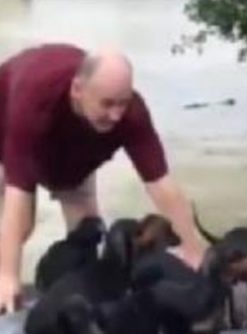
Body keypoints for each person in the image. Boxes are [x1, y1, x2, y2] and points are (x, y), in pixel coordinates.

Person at [0, 43, 207, 313]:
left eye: (123, 102)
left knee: (86, 236)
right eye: (107, 104)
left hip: (76, 155)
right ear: (77, 91)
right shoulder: (35, 102)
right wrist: (8, 276)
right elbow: (19, 196)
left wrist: (193, 249)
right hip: (10, 123)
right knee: (18, 228)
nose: (116, 114)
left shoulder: (131, 115)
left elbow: (161, 184)